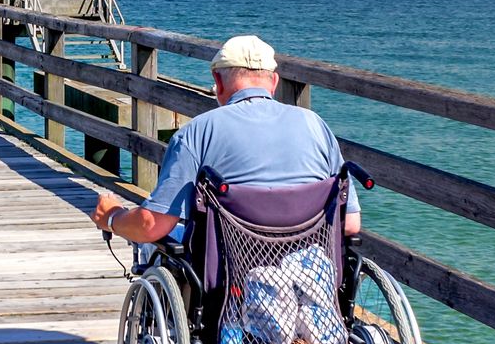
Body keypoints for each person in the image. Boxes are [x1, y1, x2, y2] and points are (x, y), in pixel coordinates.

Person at [90, 35, 359, 244]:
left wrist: (113, 216)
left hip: (229, 276)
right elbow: (349, 223)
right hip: (310, 273)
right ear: (274, 82)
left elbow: (152, 226)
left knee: (159, 243)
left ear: (217, 81)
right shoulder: (316, 125)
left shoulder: (198, 132)